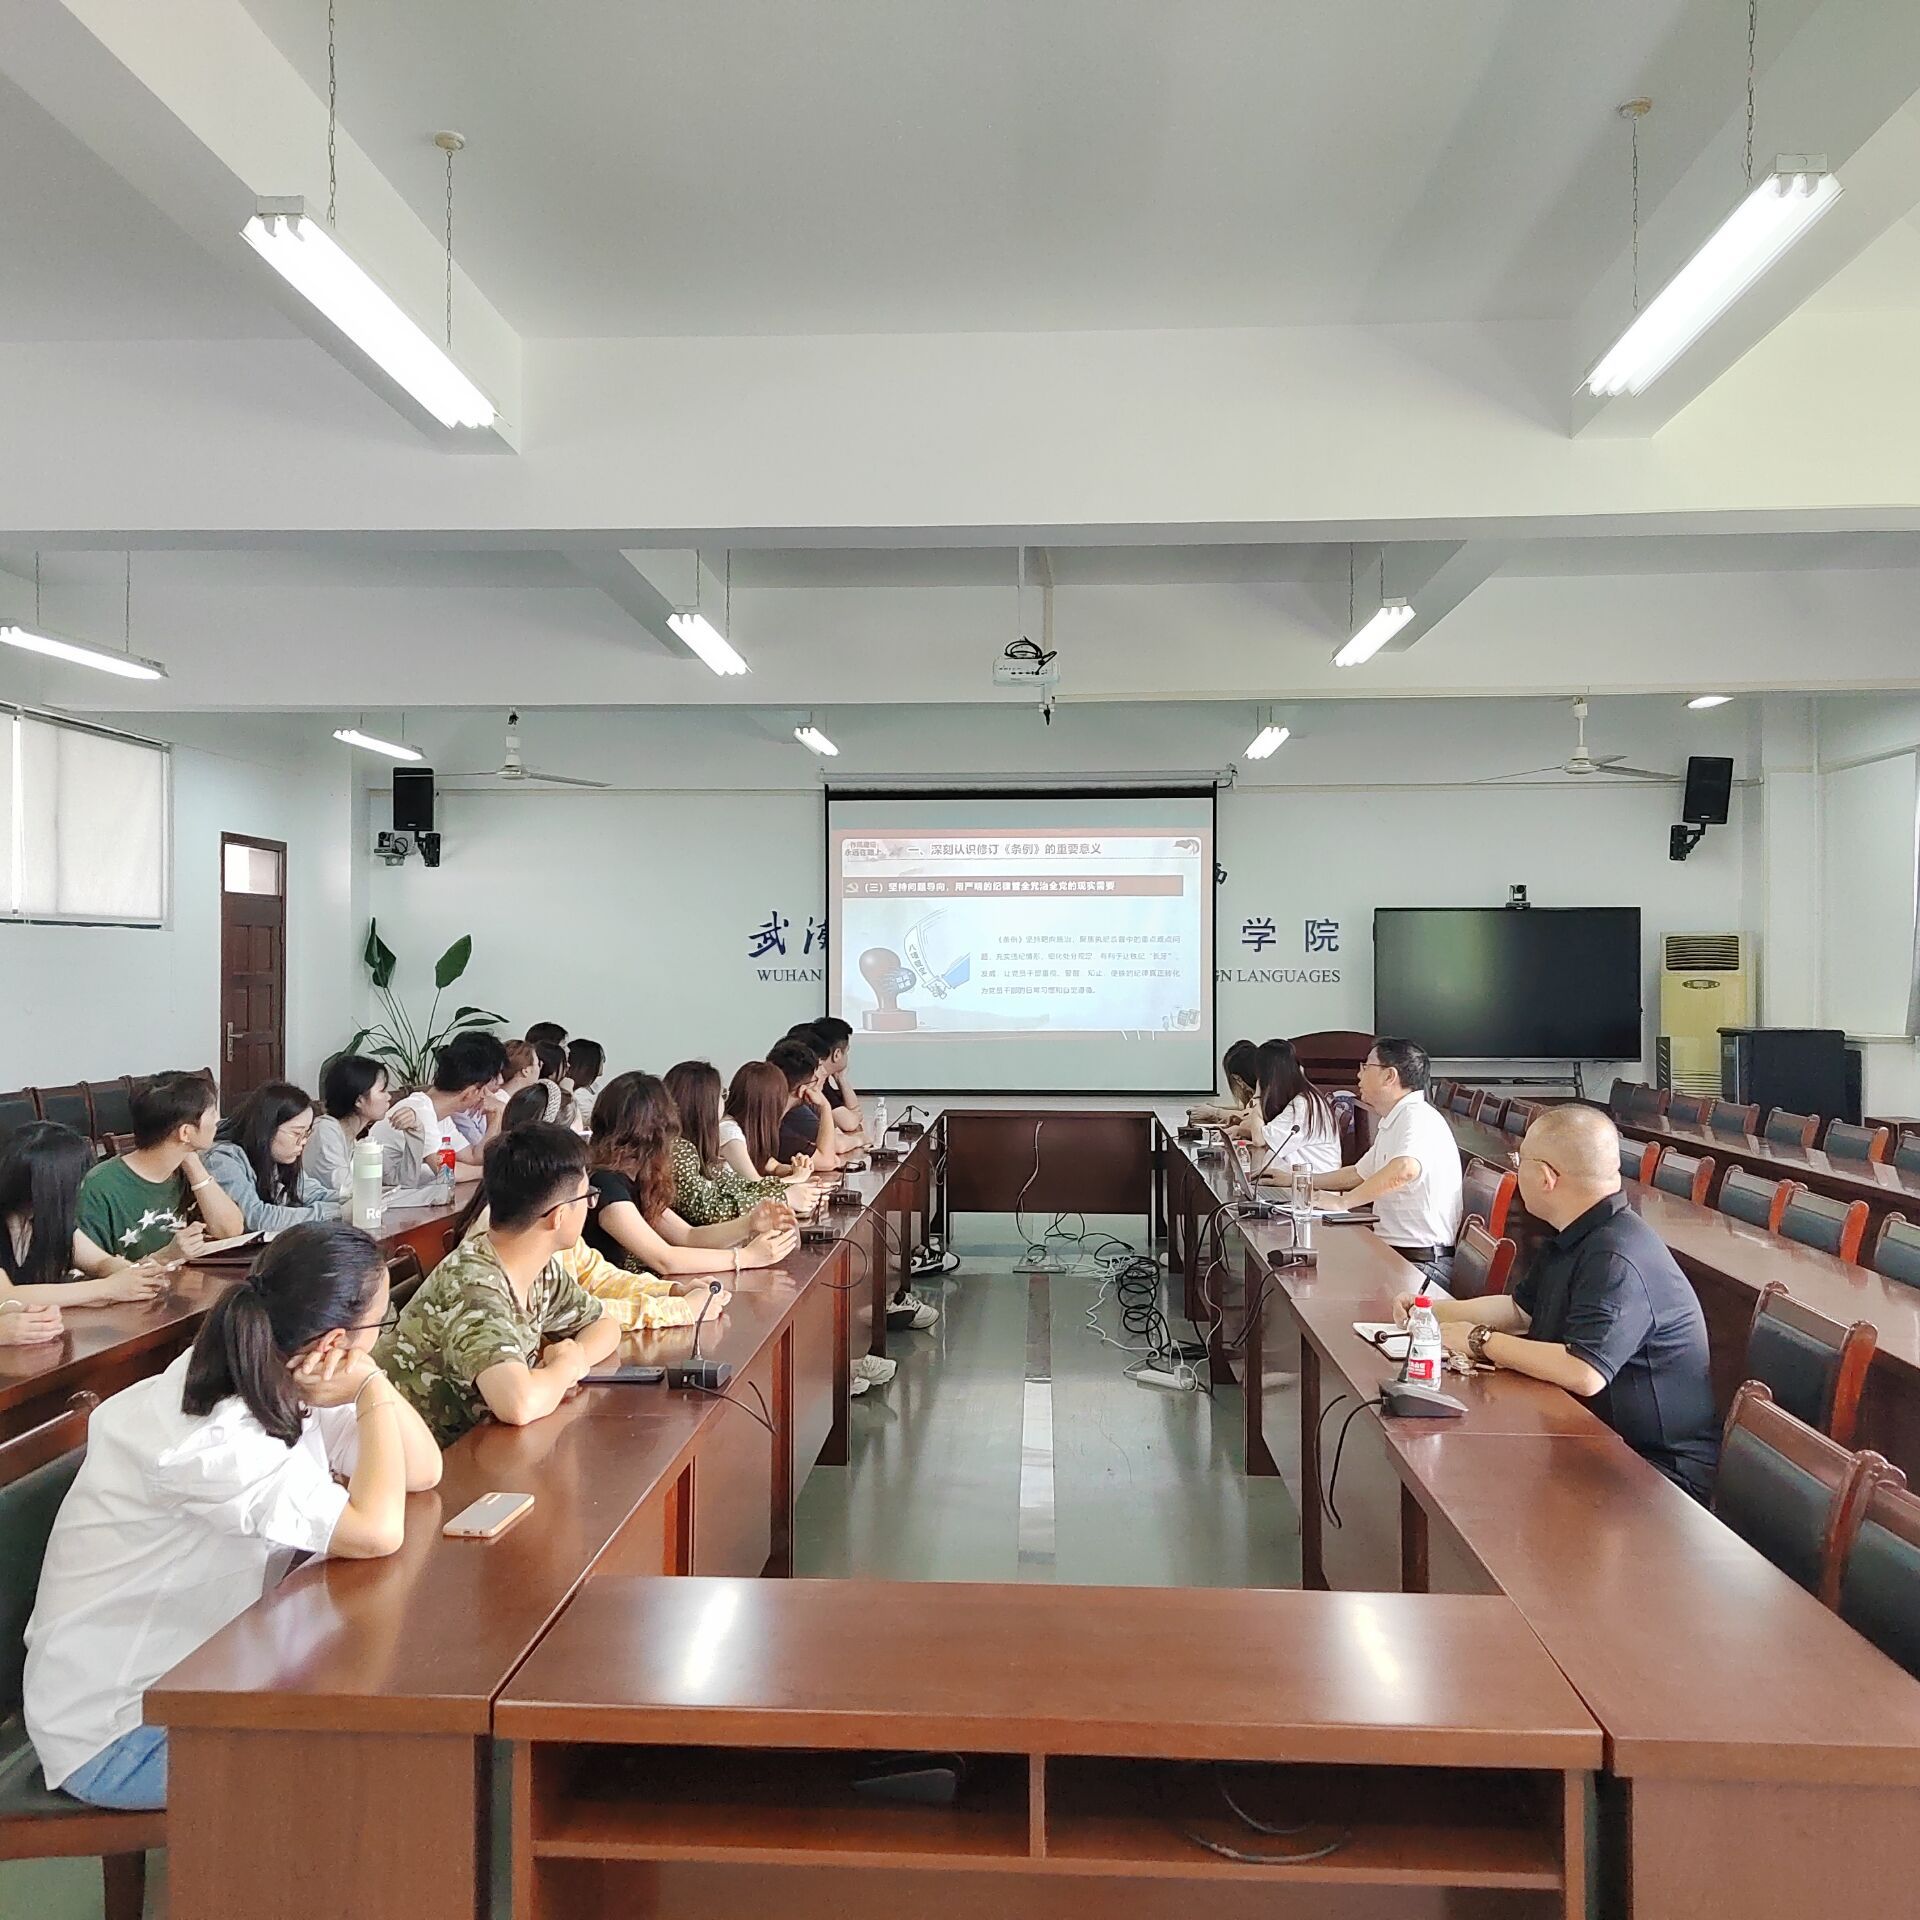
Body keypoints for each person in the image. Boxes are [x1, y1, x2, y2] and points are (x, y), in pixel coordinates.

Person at [23, 1221, 441, 1808]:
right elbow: (377, 1531)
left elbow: (422, 1471)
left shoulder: (276, 1368)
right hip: (122, 1731)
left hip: (207, 1671)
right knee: (377, 1757)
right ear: (335, 1341)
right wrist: (369, 1386)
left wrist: (369, 1381)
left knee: (379, 1708)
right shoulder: (216, 1439)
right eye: (379, 1325)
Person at [1404, 1105, 1720, 1501]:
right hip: (1590, 1435)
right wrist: (1427, 1311)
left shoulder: (1617, 1255)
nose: (1516, 1171)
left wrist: (1479, 1340)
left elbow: (1585, 1371)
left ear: (1545, 1177)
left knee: (1477, 1485)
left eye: (1519, 1162)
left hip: (1656, 1473)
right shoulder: (1578, 1231)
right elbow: (1519, 1311)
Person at [375, 1124, 628, 1447]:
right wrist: (563, 1368)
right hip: (421, 1462)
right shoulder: (473, 1288)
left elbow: (604, 1324)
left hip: (476, 1445)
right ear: (559, 1216)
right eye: (587, 1198)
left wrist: (574, 1356)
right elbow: (518, 1405)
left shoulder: (535, 1267)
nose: (589, 1207)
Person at [584, 1074, 798, 1280]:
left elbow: (688, 1236)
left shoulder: (635, 1179)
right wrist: (746, 1257)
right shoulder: (605, 1183)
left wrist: (749, 1223)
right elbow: (664, 1259)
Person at [1310, 1038, 1461, 1291]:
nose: (1359, 1075)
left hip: (1422, 1266)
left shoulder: (1418, 1117)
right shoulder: (1396, 1118)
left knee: (1324, 1285)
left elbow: (1405, 1169)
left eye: (1366, 1066)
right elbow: (1357, 1174)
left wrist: (1342, 1202)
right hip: (1395, 1255)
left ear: (1389, 1076)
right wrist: (1296, 1180)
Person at [76, 1071, 246, 1263]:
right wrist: (164, 1257)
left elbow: (231, 1231)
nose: (217, 1121)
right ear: (185, 1132)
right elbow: (92, 1272)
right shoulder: (100, 1186)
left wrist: (192, 1163)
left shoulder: (187, 1168)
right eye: (213, 1113)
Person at [1, 1121, 169, 1309]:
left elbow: (100, 1262)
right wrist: (108, 1288)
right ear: (54, 1187)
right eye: (78, 1180)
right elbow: (6, 1297)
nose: (82, 1186)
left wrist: (134, 1274)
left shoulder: (46, 1221)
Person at [662, 1060, 798, 1222]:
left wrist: (787, 1188)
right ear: (704, 1104)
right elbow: (708, 1210)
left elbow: (737, 1186)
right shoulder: (678, 1149)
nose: (724, 1101)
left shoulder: (701, 1146)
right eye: (721, 1095)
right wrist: (783, 1196)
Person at [205, 1083, 346, 1233]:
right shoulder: (222, 1159)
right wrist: (337, 1212)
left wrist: (353, 1199)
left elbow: (313, 1194)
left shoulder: (277, 1157)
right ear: (267, 1129)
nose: (303, 1142)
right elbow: (255, 1217)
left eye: (307, 1134)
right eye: (296, 1133)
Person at [388, 1031, 509, 1175]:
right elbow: (446, 1171)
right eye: (484, 1090)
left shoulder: (442, 1117)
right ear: (470, 1092)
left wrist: (496, 1116)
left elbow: (474, 1158)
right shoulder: (420, 1110)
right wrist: (492, 1173)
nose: (487, 1095)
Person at [307, 1055, 429, 1198]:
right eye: (382, 1091)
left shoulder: (355, 1140)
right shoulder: (326, 1131)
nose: (389, 1097)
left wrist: (416, 1131)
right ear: (359, 1100)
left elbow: (404, 1184)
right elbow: (345, 1191)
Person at [1249, 1039, 1341, 1177]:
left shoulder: (1302, 1106)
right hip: (1301, 1180)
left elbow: (1259, 1139)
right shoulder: (1305, 1098)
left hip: (1313, 1185)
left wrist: (1257, 1097)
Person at [721, 1061, 813, 1182]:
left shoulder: (748, 1129)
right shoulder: (729, 1132)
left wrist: (795, 1168)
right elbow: (756, 1186)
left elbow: (772, 1166)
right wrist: (797, 1177)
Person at [767, 1036, 845, 1176]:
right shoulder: (779, 1125)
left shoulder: (772, 1114)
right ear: (803, 1090)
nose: (822, 1078)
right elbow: (828, 1161)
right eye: (816, 1079)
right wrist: (825, 1107)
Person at [791, 1018, 866, 1141]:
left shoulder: (822, 1081)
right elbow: (849, 1124)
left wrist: (841, 1079)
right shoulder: (812, 1083)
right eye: (846, 1052)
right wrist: (860, 1140)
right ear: (837, 1054)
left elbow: (855, 1117)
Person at [1188, 1039, 1262, 1138]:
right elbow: (1246, 1115)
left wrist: (1214, 1112)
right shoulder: (1257, 1093)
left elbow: (1253, 1117)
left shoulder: (1267, 1092)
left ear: (1237, 1079)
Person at [561, 1038, 605, 1132]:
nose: (603, 1062)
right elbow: (592, 1120)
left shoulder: (595, 1087)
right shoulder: (576, 1093)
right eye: (601, 1059)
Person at [531, 1040, 570, 1125]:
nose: (568, 1066)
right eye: (564, 1064)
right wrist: (568, 1091)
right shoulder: (543, 1096)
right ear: (551, 1068)